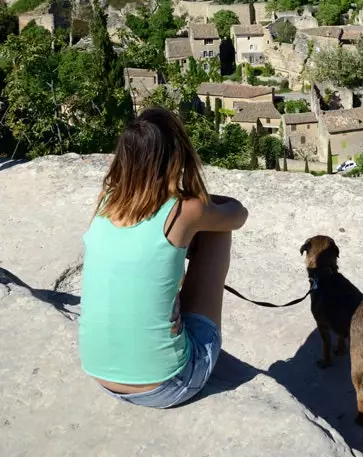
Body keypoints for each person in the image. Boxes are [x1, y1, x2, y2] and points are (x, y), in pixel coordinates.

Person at [79, 107, 248, 408]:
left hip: (100, 376)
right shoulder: (185, 211)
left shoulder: (105, 203)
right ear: (177, 156)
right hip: (167, 385)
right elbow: (237, 215)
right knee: (217, 229)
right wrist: (198, 203)